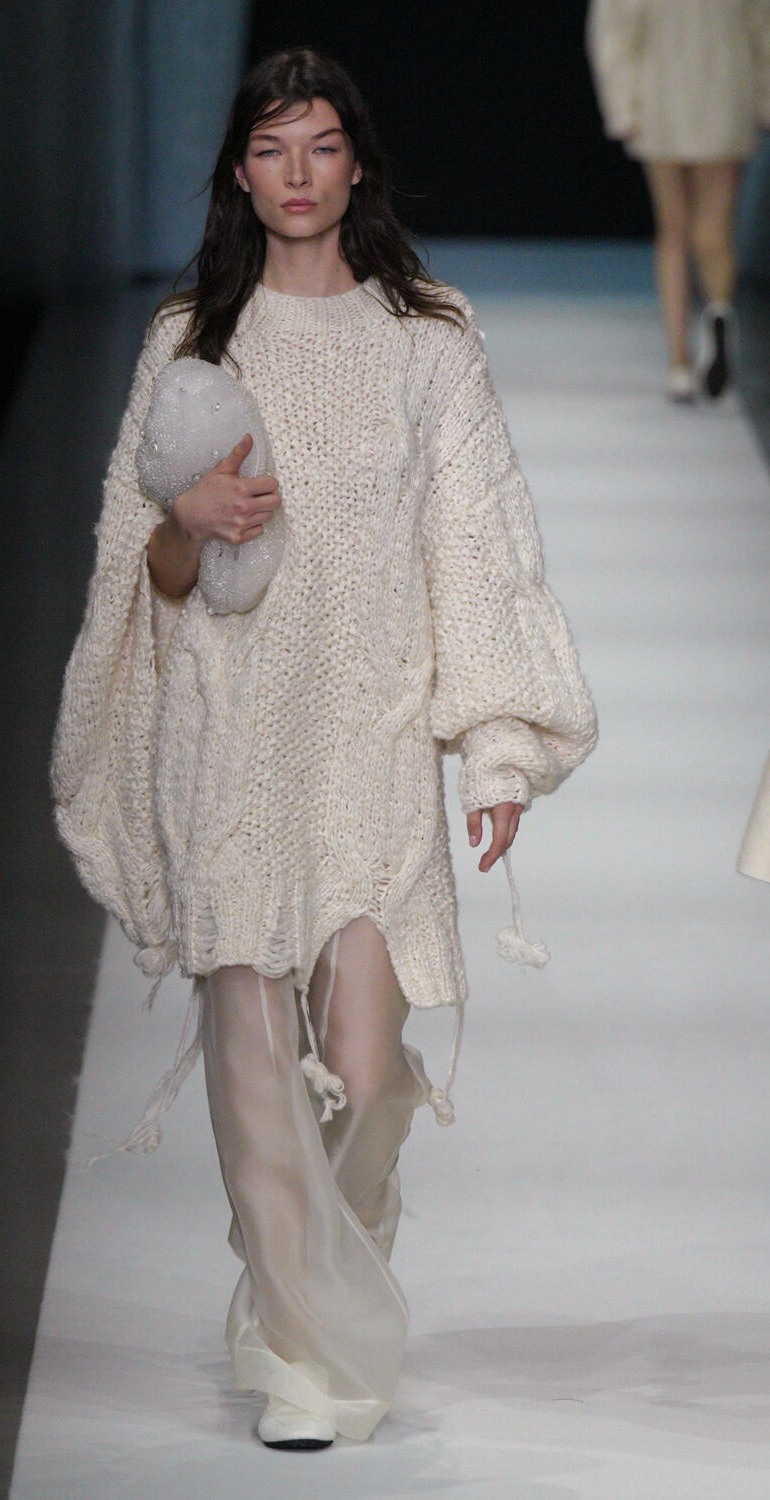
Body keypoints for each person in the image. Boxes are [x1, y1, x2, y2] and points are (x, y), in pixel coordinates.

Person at [51, 47, 597, 1451]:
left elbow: (478, 549)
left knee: (362, 1061)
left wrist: (493, 749)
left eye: (322, 147)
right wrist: (189, 524)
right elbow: (134, 573)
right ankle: (305, 1354)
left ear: (357, 164)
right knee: (252, 1059)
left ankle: (308, 1294)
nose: (297, 175)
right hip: (228, 732)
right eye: (270, 149)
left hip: (369, 739)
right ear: (239, 172)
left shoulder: (431, 340)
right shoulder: (191, 341)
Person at [586, 0, 770, 402]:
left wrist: (621, 107)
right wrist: (765, 100)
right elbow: (763, 25)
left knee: (673, 231)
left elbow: (613, 32)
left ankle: (679, 364)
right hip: (727, 94)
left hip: (660, 99)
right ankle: (718, 310)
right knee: (716, 230)